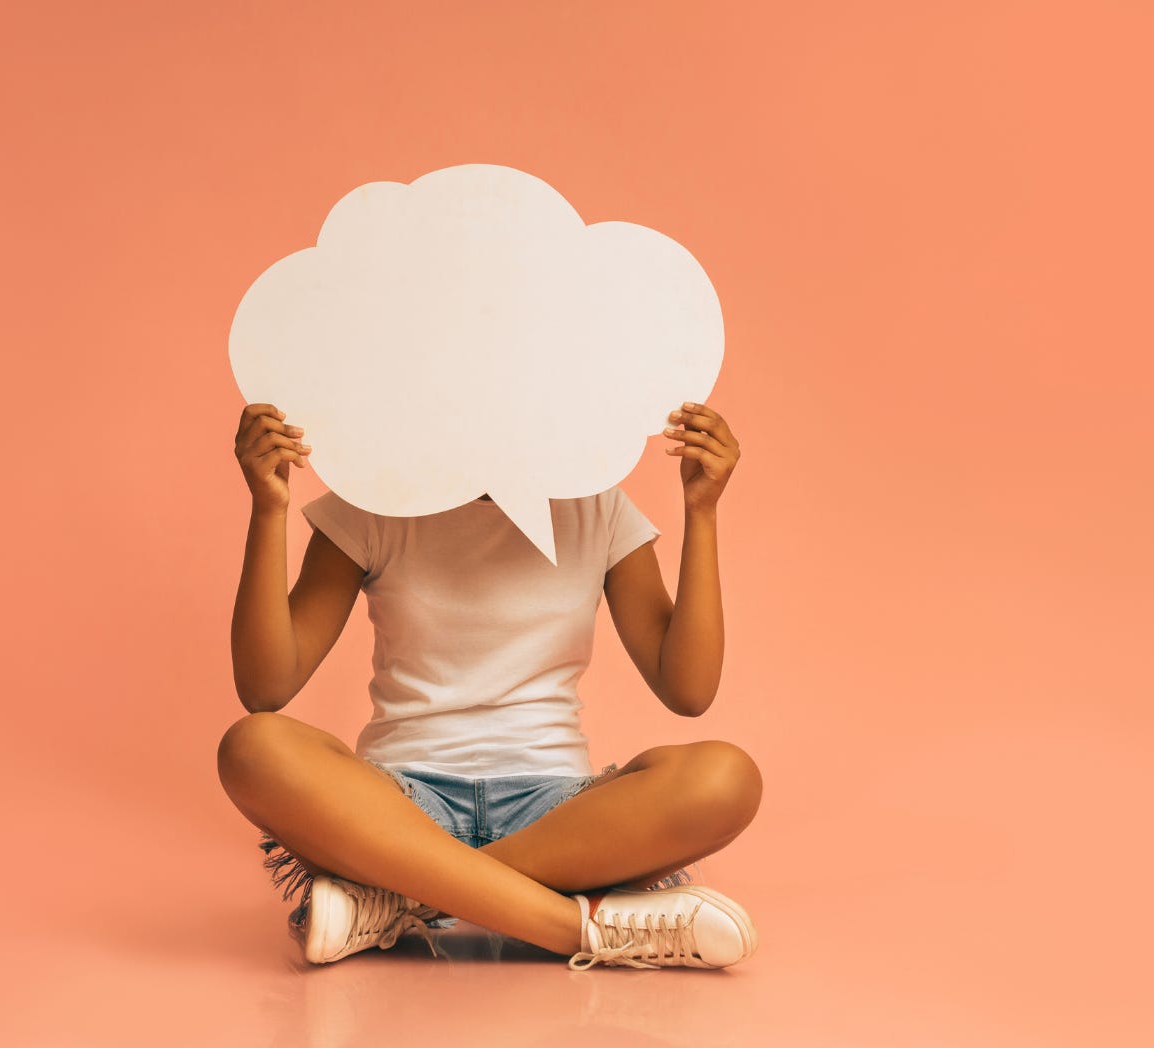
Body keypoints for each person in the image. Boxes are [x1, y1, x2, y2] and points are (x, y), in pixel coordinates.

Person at [217, 398, 763, 970]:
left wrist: (702, 511)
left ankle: (400, 900)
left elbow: (689, 690)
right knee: (253, 746)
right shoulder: (373, 508)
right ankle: (582, 928)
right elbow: (265, 689)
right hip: (399, 806)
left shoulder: (598, 510)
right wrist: (268, 509)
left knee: (726, 777)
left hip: (559, 817)